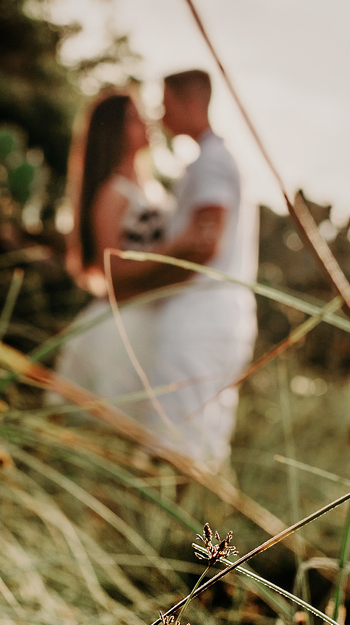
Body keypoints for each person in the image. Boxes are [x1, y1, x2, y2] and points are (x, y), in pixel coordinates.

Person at [47, 90, 211, 423]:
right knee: (111, 423)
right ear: (115, 131)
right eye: (134, 119)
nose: (147, 123)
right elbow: (113, 269)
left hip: (153, 322)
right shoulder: (113, 193)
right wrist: (176, 250)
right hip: (121, 328)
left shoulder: (154, 189)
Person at [135, 69, 258, 467]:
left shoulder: (211, 162)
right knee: (199, 439)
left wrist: (139, 281)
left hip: (199, 318)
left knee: (173, 442)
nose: (160, 113)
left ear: (191, 102)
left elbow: (204, 243)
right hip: (217, 316)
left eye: (166, 102)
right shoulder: (211, 161)